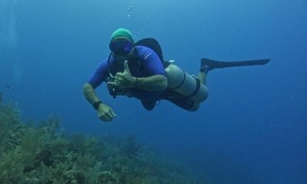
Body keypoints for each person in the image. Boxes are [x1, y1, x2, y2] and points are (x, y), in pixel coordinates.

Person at [83, 28, 270, 122]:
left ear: (133, 47)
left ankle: (204, 67)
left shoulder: (145, 54)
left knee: (197, 104)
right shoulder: (108, 64)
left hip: (165, 87)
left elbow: (162, 81)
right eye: (115, 47)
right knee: (149, 106)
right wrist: (98, 105)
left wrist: (133, 81)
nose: (121, 52)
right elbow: (87, 87)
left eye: (125, 46)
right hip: (146, 95)